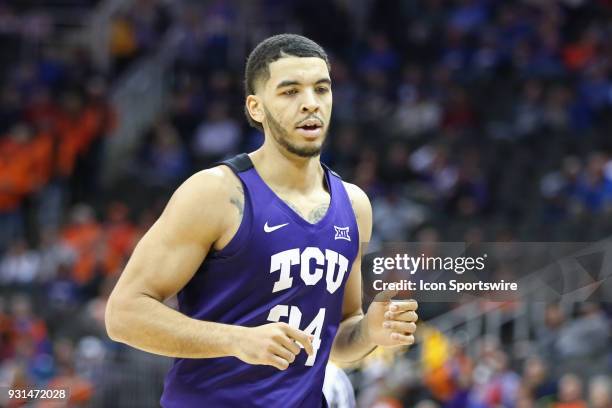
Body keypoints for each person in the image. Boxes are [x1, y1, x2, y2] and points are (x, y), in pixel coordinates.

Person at [105, 34, 418, 407]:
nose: (310, 104)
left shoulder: (354, 205)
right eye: (290, 92)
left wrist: (369, 332)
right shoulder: (218, 193)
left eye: (322, 89)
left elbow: (335, 338)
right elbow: (124, 314)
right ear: (256, 107)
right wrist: (237, 339)